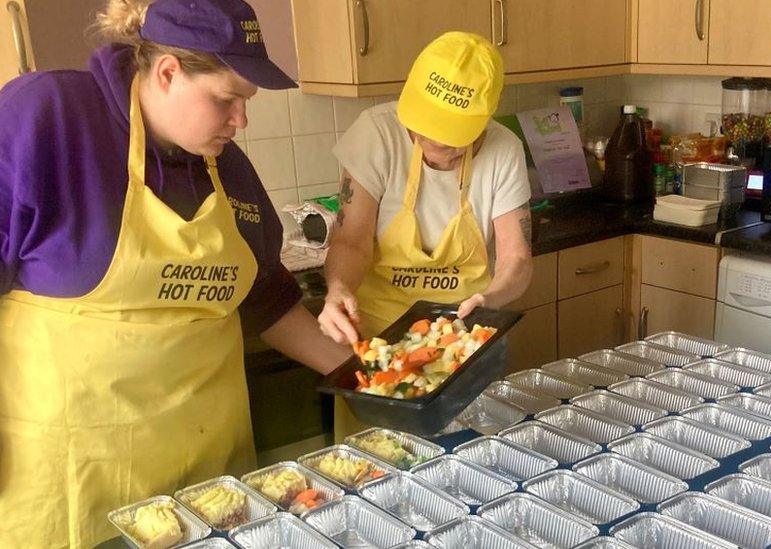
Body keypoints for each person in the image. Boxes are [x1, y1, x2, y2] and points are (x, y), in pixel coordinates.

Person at [0, 0, 348, 545]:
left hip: (207, 473)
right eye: (227, 99)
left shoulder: (227, 166)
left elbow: (265, 298)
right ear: (167, 72)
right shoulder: (48, 116)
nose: (242, 120)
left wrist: (369, 377)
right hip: (76, 470)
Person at [318, 32, 533, 439]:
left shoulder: (505, 150)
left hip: (464, 349)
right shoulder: (376, 134)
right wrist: (338, 289)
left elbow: (516, 260)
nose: (435, 144)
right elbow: (351, 241)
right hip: (377, 349)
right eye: (424, 130)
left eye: (452, 136)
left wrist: (490, 299)